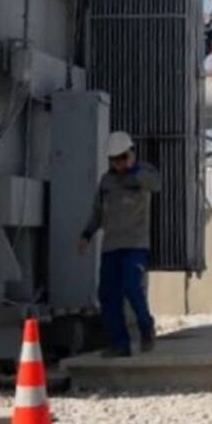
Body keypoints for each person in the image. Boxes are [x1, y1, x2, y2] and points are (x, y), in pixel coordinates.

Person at [78, 131, 161, 358]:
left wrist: (134, 170)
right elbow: (97, 212)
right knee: (107, 294)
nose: (119, 163)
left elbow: (156, 184)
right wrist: (86, 234)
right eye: (114, 160)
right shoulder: (107, 181)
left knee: (132, 288)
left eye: (123, 157)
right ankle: (119, 343)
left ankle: (146, 327)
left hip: (135, 245)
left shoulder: (144, 173)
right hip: (111, 246)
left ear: (131, 153)